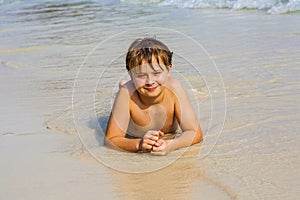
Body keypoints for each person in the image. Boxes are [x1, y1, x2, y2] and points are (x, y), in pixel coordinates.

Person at [104, 37, 203, 155]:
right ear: (130, 73)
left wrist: (170, 144)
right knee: (125, 89)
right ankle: (124, 84)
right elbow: (110, 140)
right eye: (141, 75)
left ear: (168, 69)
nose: (150, 81)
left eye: (156, 73)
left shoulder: (175, 89)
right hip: (134, 129)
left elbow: (195, 133)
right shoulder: (126, 95)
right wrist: (139, 144)